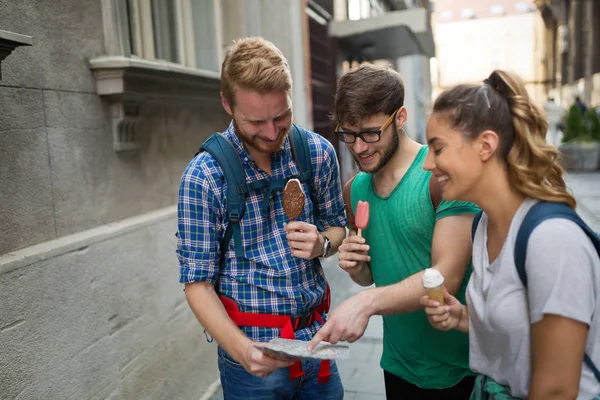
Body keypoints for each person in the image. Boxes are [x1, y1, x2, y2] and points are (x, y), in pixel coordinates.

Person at [176, 37, 347, 400]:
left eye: (281, 116)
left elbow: (338, 227)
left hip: (317, 344)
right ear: (227, 103)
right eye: (256, 121)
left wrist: (323, 243)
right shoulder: (204, 178)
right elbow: (198, 285)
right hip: (253, 362)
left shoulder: (317, 153)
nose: (271, 133)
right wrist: (243, 352)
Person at [421, 70, 600, 399]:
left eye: (438, 148)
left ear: (486, 145)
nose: (427, 164)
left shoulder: (552, 240)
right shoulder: (482, 226)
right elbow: (519, 334)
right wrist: (462, 317)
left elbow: (556, 390)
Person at [308, 63, 480, 399]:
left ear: (399, 118)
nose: (359, 147)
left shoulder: (439, 177)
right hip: (398, 366)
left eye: (371, 133)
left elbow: (446, 278)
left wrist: (366, 303)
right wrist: (357, 266)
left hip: (460, 369)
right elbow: (371, 275)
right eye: (348, 134)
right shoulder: (354, 190)